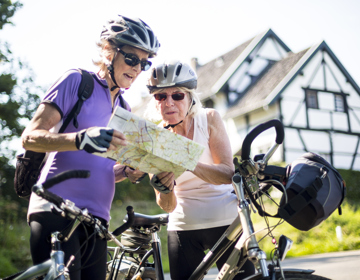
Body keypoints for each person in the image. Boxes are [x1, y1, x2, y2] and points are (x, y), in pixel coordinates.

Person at [21, 15, 160, 280]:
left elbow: (99, 168)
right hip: (56, 207)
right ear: (109, 51)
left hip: (97, 221)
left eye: (145, 62)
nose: (137, 68)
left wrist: (125, 170)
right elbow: (30, 137)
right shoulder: (77, 81)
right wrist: (81, 138)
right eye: (131, 59)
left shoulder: (125, 109)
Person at [144, 60, 255, 279]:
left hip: (227, 223)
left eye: (177, 95)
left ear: (190, 97)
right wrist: (165, 189)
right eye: (161, 96)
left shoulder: (209, 119)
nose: (169, 103)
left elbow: (227, 174)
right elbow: (166, 206)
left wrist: (188, 160)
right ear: (155, 102)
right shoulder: (153, 138)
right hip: (183, 226)